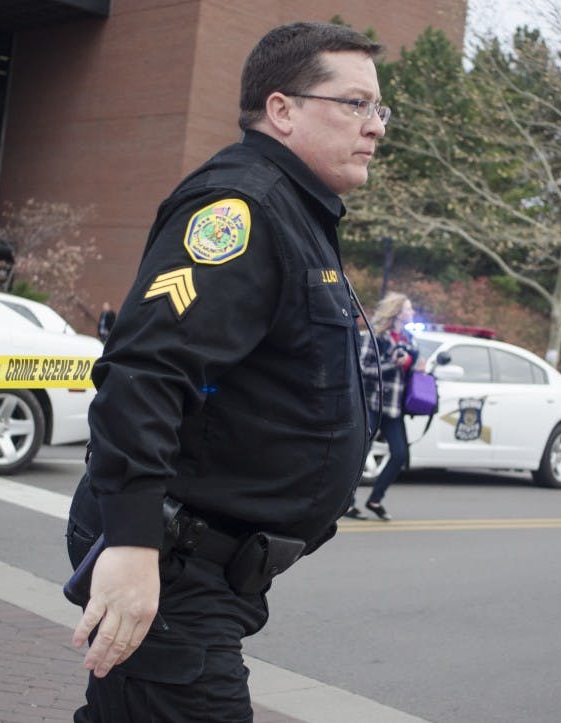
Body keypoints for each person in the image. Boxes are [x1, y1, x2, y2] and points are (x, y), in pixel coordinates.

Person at [65, 21, 388, 721]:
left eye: (379, 108)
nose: (376, 126)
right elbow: (146, 370)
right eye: (355, 104)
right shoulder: (243, 209)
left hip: (210, 569)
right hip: (178, 562)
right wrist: (131, 539)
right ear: (282, 109)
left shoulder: (296, 214)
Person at [347, 293, 418, 522]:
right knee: (359, 455)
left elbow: (409, 369)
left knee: (399, 455)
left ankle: (375, 499)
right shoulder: (373, 336)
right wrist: (390, 365)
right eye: (409, 309)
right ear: (397, 312)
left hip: (394, 407)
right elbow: (362, 369)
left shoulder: (409, 339)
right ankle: (346, 502)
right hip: (372, 403)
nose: (412, 312)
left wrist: (411, 363)